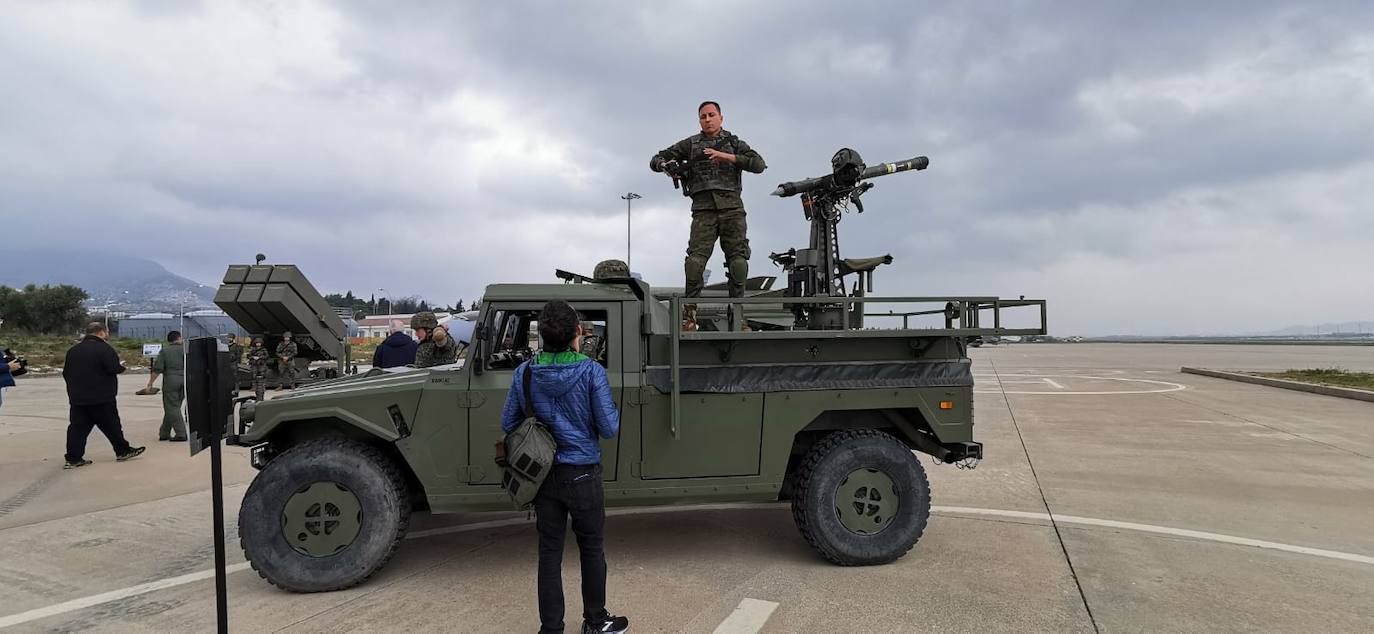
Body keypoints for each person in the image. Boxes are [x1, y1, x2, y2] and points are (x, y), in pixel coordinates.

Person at [499, 300, 626, 634]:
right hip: (583, 473)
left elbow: (508, 421)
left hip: (541, 477)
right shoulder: (591, 372)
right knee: (592, 549)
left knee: (549, 554)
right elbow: (610, 428)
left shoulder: (524, 372)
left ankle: (551, 628)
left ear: (542, 336)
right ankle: (596, 623)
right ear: (575, 335)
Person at [650, 100, 767, 329]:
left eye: (712, 115)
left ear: (721, 118)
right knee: (694, 264)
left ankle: (737, 314)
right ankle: (689, 316)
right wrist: (666, 165)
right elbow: (656, 159)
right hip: (703, 211)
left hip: (732, 209)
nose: (707, 119)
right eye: (703, 116)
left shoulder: (734, 143)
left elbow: (759, 165)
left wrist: (727, 157)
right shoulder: (691, 144)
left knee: (738, 263)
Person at [61, 322, 145, 469]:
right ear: (101, 332)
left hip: (78, 398)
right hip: (101, 397)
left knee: (77, 429)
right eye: (106, 332)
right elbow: (113, 368)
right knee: (112, 425)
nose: (107, 335)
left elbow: (66, 373)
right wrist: (121, 368)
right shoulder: (104, 348)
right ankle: (122, 450)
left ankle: (73, 458)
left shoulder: (73, 350)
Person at [145, 331, 188, 441]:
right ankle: (164, 433)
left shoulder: (165, 351)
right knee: (174, 407)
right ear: (179, 338)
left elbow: (158, 369)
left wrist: (150, 383)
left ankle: (181, 433)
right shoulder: (187, 349)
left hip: (171, 380)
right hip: (186, 379)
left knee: (172, 407)